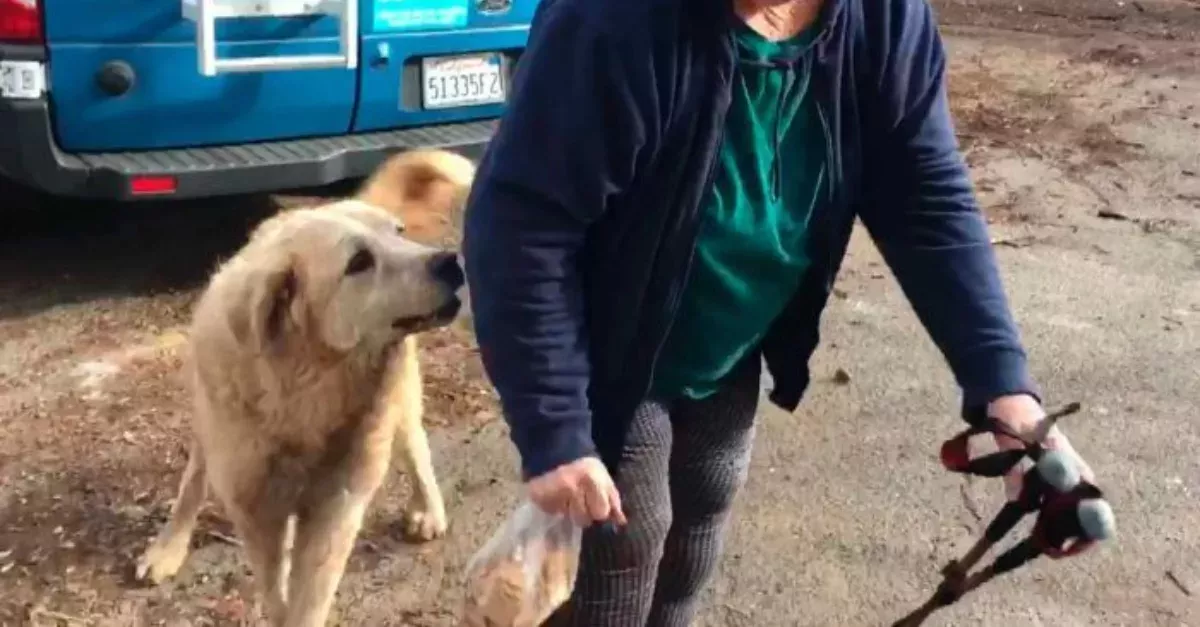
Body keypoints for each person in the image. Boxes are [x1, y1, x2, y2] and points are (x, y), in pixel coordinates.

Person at [461, 0, 1099, 625]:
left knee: (701, 517)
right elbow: (523, 225)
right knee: (627, 543)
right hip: (609, 343)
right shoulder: (610, 21)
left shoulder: (883, 19)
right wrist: (553, 422)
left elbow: (925, 194)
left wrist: (1005, 392)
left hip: (735, 334)